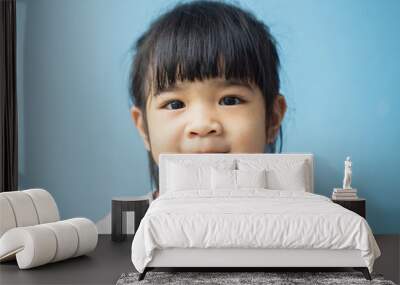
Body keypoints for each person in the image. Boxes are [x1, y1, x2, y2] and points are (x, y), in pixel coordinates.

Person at [129, 1, 287, 199]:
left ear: (272, 118)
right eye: (175, 104)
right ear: (144, 128)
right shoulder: (119, 229)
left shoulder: (308, 226)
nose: (202, 125)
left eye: (230, 100)